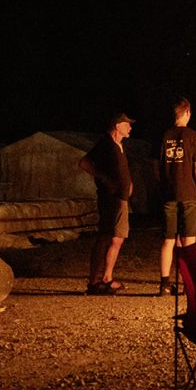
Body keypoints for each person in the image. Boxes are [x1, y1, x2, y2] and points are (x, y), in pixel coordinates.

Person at [156, 97, 196, 295]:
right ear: (187, 113)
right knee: (189, 240)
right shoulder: (195, 137)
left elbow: (158, 166)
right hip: (188, 194)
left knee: (168, 240)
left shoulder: (164, 136)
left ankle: (164, 284)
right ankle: (189, 284)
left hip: (169, 195)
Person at [78, 112, 135, 295]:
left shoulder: (118, 146)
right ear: (117, 126)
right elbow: (85, 163)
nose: (130, 127)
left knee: (117, 237)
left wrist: (129, 184)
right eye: (127, 124)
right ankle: (97, 281)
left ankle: (105, 278)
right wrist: (105, 179)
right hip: (110, 198)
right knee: (106, 236)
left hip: (120, 197)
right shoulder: (105, 144)